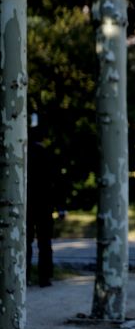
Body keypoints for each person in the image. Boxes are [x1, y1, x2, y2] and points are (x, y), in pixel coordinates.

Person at [26, 115, 62, 287]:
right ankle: (44, 277)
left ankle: (24, 275)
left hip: (27, 205)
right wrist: (61, 207)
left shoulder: (24, 156)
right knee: (45, 243)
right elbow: (57, 182)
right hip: (45, 205)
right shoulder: (48, 155)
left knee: (26, 242)